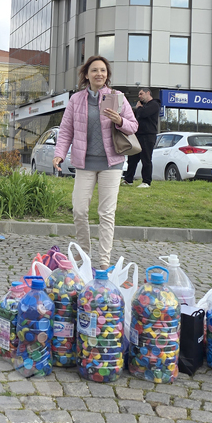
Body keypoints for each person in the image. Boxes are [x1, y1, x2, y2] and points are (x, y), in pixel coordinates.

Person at [53, 56, 137, 270]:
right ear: (86, 74)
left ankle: (104, 263)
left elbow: (133, 126)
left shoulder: (115, 96)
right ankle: (84, 256)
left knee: (106, 214)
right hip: (85, 162)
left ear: (107, 74)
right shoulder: (76, 100)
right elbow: (66, 130)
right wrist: (59, 153)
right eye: (94, 70)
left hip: (112, 163)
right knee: (79, 210)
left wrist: (119, 121)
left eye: (103, 70)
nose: (99, 74)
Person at [123, 87, 161, 188]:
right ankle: (128, 179)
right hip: (138, 135)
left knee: (146, 159)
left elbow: (144, 114)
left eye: (141, 94)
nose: (139, 96)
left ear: (148, 93)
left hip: (148, 136)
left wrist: (139, 108)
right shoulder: (142, 106)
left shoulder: (154, 104)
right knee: (132, 158)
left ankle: (146, 181)